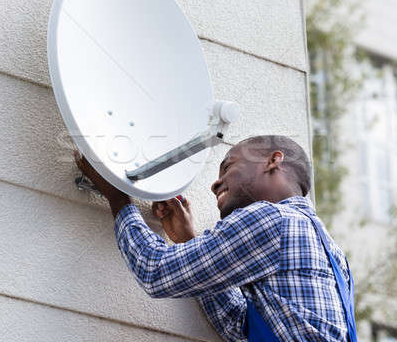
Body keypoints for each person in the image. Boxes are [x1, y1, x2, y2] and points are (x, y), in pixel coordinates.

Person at [74, 135, 356, 342]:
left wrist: (118, 198)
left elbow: (155, 271)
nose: (215, 183)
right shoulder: (335, 257)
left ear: (273, 161)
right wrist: (188, 241)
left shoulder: (272, 220)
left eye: (228, 166)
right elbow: (240, 326)